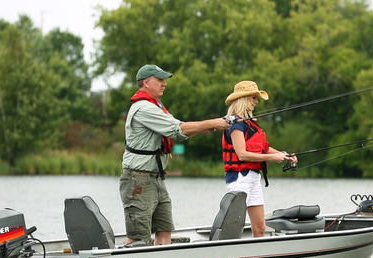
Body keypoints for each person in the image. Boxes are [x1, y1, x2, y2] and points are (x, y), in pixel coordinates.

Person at [120, 64, 229, 246]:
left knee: (164, 229)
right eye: (160, 80)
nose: (165, 84)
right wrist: (212, 122)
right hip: (137, 180)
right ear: (146, 83)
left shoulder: (156, 105)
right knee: (138, 236)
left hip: (156, 179)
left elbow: (178, 131)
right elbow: (176, 128)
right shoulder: (144, 108)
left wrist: (204, 128)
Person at [222, 80, 297, 237]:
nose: (256, 102)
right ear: (244, 99)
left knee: (260, 227)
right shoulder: (235, 124)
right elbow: (242, 154)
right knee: (235, 226)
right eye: (253, 98)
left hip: (254, 177)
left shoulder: (249, 123)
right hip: (239, 178)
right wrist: (271, 157)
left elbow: (262, 147)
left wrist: (284, 155)